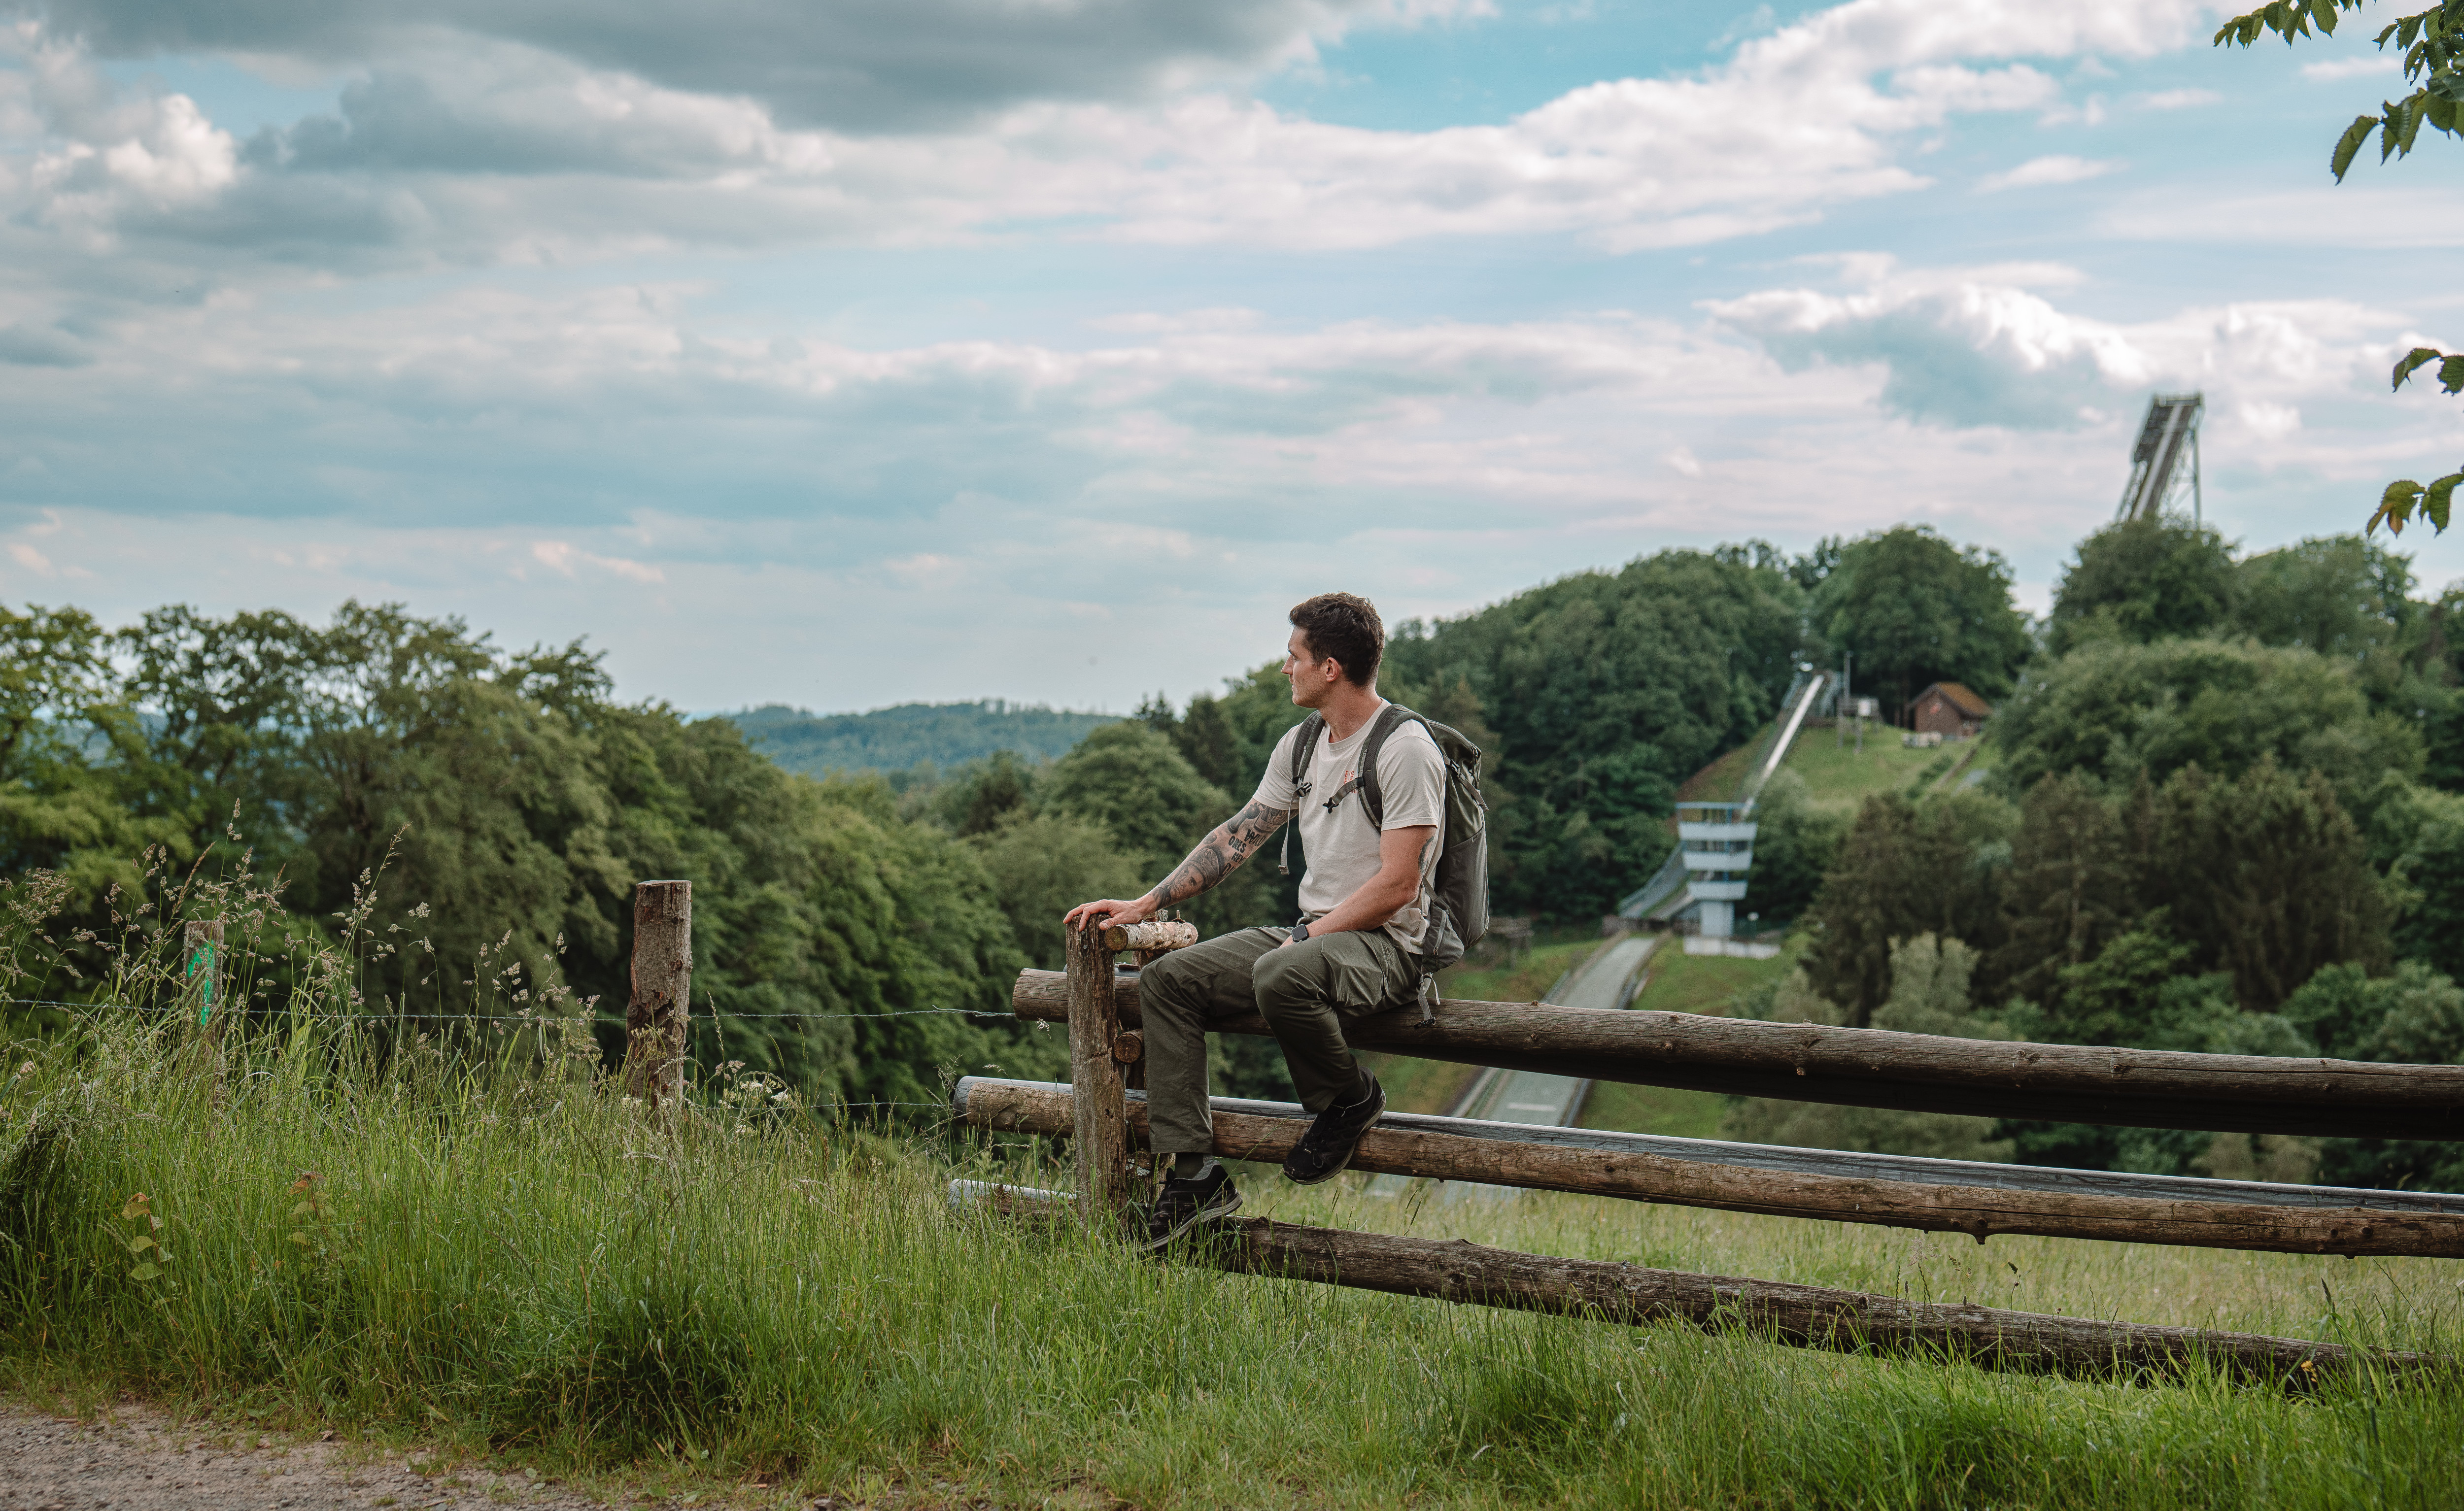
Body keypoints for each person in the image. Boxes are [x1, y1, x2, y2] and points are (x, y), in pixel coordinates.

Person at [1064, 592, 1447, 1247]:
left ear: (1329, 667)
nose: (1283, 668)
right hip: (1314, 938)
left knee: (1281, 971)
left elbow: (1398, 885)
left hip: (1388, 947)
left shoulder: (1404, 748)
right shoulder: (1302, 745)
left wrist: (1309, 937)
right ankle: (1196, 1176)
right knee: (1168, 982)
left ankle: (1350, 1100)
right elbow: (1241, 835)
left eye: (1293, 656)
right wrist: (1148, 903)